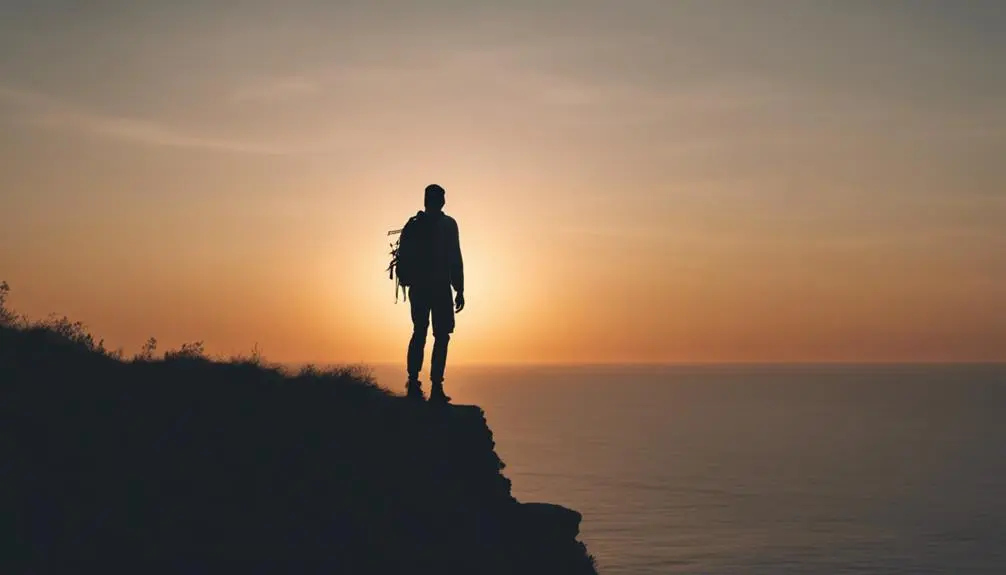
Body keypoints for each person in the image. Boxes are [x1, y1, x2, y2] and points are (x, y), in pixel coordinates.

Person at [406, 184, 465, 403]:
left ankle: (413, 382)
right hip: (440, 288)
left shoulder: (414, 225)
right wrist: (459, 289)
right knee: (441, 336)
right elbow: (455, 258)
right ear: (441, 201)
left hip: (419, 289)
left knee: (419, 331)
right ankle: (436, 386)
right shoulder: (448, 225)